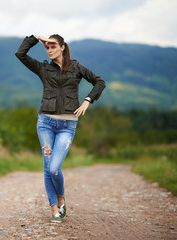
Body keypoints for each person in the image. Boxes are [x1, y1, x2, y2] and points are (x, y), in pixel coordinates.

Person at [15, 34, 106, 223]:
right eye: (47, 47)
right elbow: (20, 54)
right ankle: (54, 208)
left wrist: (88, 100)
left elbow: (100, 82)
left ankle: (61, 197)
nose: (49, 50)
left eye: (53, 46)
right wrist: (35, 38)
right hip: (45, 123)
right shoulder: (43, 68)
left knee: (55, 168)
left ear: (63, 47)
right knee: (48, 167)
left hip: (68, 125)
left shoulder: (76, 67)